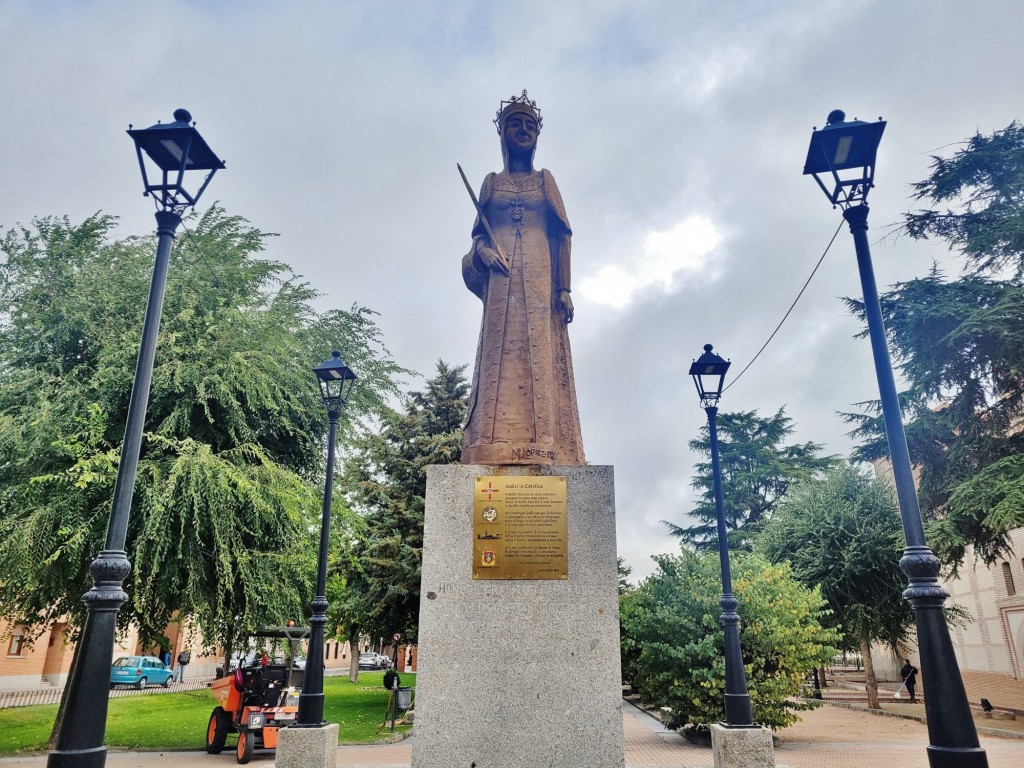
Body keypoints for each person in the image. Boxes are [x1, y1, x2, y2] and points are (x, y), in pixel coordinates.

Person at [460, 90, 585, 466]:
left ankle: (545, 439)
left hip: (539, 272)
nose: (523, 130)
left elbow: (563, 234)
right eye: (515, 123)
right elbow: (478, 234)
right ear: (502, 133)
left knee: (540, 347)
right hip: (501, 276)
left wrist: (564, 287)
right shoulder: (490, 182)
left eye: (530, 125)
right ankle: (490, 437)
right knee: (498, 348)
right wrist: (482, 251)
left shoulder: (545, 180)